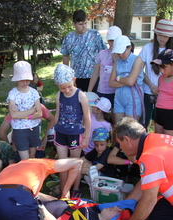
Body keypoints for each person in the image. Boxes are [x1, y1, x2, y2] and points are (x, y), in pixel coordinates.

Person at [53, 64, 91, 198]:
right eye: (62, 88)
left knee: (75, 162)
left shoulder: (81, 95)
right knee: (62, 163)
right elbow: (57, 114)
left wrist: (86, 137)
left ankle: (75, 188)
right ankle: (64, 190)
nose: (67, 90)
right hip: (61, 133)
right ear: (57, 85)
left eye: (69, 86)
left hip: (75, 134)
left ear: (74, 79)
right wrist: (52, 130)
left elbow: (87, 117)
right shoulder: (59, 95)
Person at [139, 19, 173, 129]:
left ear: (170, 37)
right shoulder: (148, 48)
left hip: (165, 94)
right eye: (160, 35)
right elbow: (139, 70)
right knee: (143, 122)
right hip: (148, 91)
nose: (162, 38)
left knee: (159, 124)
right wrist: (151, 85)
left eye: (165, 36)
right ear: (156, 33)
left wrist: (160, 87)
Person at [61, 9, 107, 92]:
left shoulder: (95, 35)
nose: (84, 26)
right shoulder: (69, 37)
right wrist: (67, 75)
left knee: (93, 101)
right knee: (78, 101)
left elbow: (103, 53)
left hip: (94, 76)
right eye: (80, 24)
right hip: (76, 77)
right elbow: (65, 55)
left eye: (85, 23)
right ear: (74, 24)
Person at [7, 61, 42, 160]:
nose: (25, 82)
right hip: (20, 130)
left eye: (27, 80)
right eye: (22, 80)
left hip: (34, 128)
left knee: (32, 155)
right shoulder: (12, 94)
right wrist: (31, 110)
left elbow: (39, 113)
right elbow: (13, 116)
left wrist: (21, 114)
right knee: (25, 159)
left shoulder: (34, 92)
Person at [150, 49, 173, 137]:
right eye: (159, 67)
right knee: (158, 140)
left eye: (164, 67)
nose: (161, 70)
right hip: (159, 112)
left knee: (168, 143)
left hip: (171, 115)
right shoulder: (160, 78)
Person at [109, 35, 145, 125]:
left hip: (133, 99)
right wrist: (127, 80)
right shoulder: (117, 61)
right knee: (118, 128)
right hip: (119, 99)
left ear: (129, 47)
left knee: (130, 129)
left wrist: (118, 78)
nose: (120, 55)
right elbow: (111, 83)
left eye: (122, 52)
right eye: (118, 53)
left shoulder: (137, 59)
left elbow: (130, 82)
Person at [87, 25, 122, 105]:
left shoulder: (122, 55)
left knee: (114, 114)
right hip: (102, 90)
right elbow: (95, 73)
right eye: (110, 40)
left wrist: (115, 58)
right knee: (101, 113)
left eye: (115, 40)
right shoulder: (102, 54)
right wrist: (89, 91)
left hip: (116, 91)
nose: (112, 43)